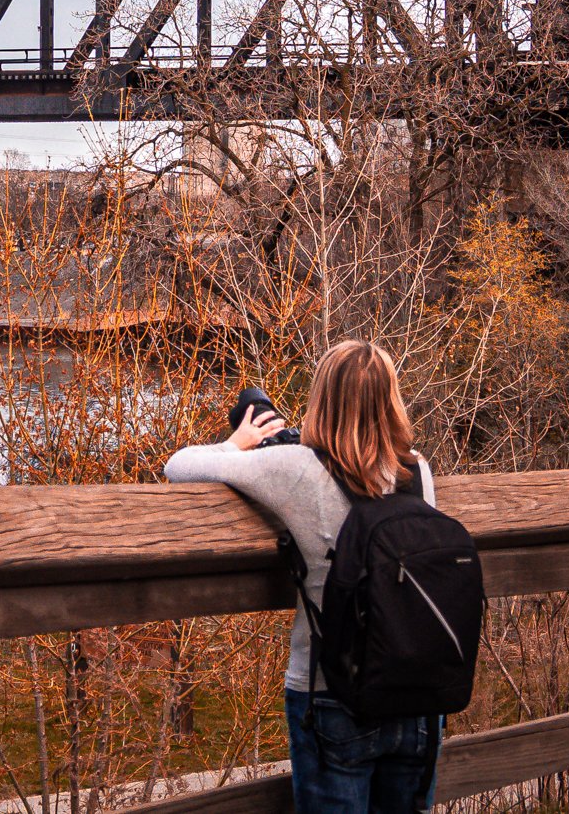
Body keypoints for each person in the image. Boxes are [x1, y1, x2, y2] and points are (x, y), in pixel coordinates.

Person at [163, 340, 441, 814]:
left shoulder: (297, 469)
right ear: (391, 399)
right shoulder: (416, 468)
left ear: (323, 397)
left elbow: (179, 465)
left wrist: (237, 444)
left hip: (332, 695)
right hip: (416, 695)